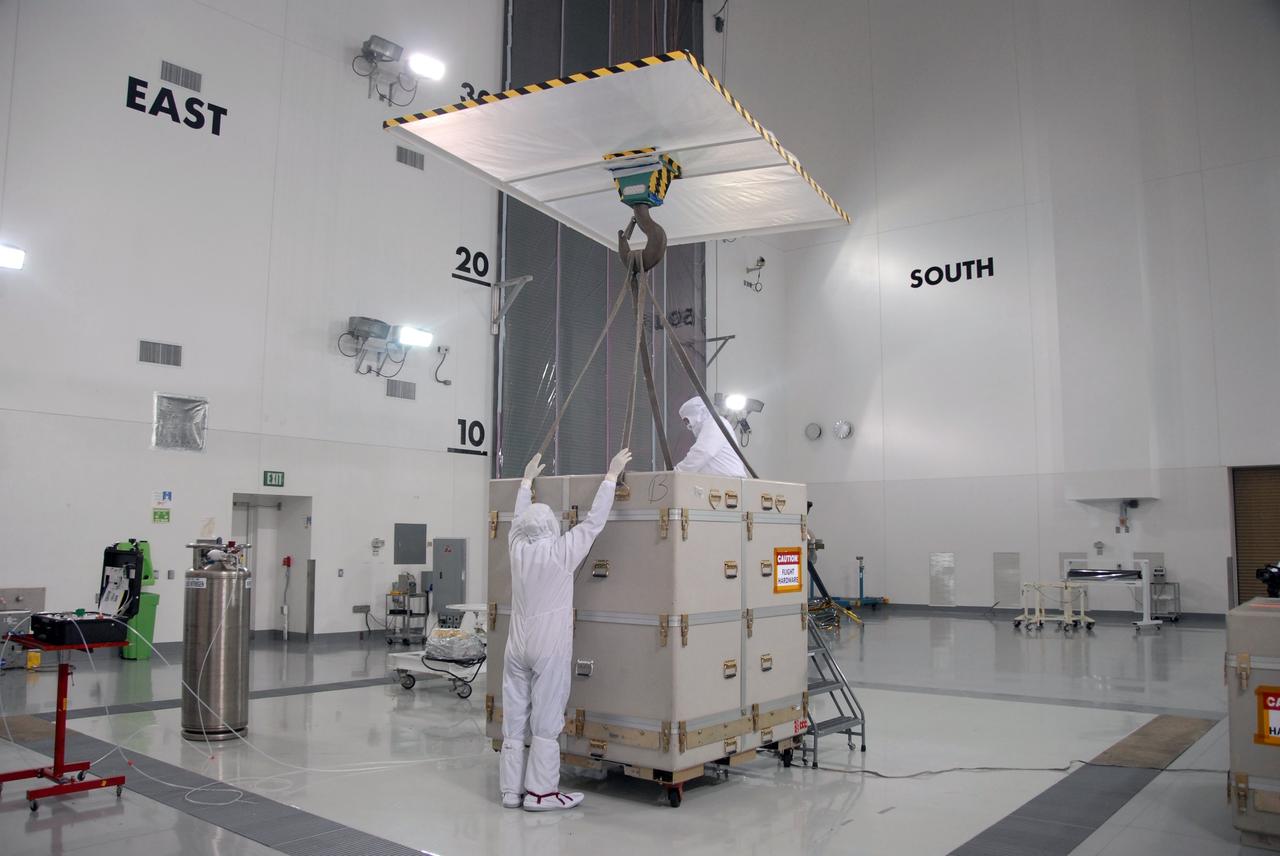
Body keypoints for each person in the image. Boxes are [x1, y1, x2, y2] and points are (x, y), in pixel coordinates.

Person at [500, 447, 632, 812]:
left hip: (516, 647)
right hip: (548, 648)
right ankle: (542, 793)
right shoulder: (561, 552)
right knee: (546, 718)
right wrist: (610, 476)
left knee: (514, 716)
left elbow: (514, 522)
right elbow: (593, 523)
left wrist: (525, 482)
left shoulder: (517, 551)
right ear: (550, 527)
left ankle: (511, 791)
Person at [673, 396, 748, 477]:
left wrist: (677, 471)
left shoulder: (715, 423)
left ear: (697, 413)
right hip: (721, 483)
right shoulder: (708, 427)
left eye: (687, 420)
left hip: (730, 482)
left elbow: (702, 452)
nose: (688, 425)